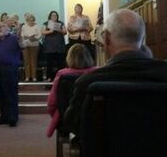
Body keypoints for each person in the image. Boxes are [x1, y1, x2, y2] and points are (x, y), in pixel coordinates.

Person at [64, 8, 167, 136]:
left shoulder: (88, 83)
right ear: (143, 38)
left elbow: (72, 124)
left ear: (106, 39)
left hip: (105, 155)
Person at [46, 44, 97, 137]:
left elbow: (52, 102)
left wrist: (57, 115)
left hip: (67, 118)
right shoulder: (97, 72)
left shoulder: (62, 74)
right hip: (95, 118)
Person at [42, 11, 67, 81]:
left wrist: (59, 30)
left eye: (55, 16)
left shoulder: (61, 23)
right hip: (49, 47)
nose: (54, 17)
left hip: (59, 46)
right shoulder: (46, 23)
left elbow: (65, 32)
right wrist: (50, 31)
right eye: (52, 16)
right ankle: (49, 77)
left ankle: (61, 77)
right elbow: (42, 32)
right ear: (50, 16)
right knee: (49, 63)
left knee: (60, 63)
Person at [21, 13, 42, 82]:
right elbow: (22, 35)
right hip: (26, 45)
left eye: (32, 20)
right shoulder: (24, 26)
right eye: (29, 20)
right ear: (27, 20)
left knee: (33, 61)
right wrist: (27, 37)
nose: (31, 21)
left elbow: (39, 35)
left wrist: (35, 38)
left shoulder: (37, 26)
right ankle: (27, 76)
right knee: (26, 61)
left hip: (34, 45)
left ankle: (34, 77)